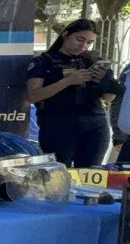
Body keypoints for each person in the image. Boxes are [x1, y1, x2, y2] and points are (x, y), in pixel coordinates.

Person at [25, 18, 121, 167]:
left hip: (95, 121)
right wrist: (67, 81)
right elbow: (33, 96)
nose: (83, 46)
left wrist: (104, 82)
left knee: (90, 172)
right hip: (58, 121)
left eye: (89, 42)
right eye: (79, 39)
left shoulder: (93, 60)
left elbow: (109, 98)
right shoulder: (44, 61)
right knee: (59, 172)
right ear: (65, 34)